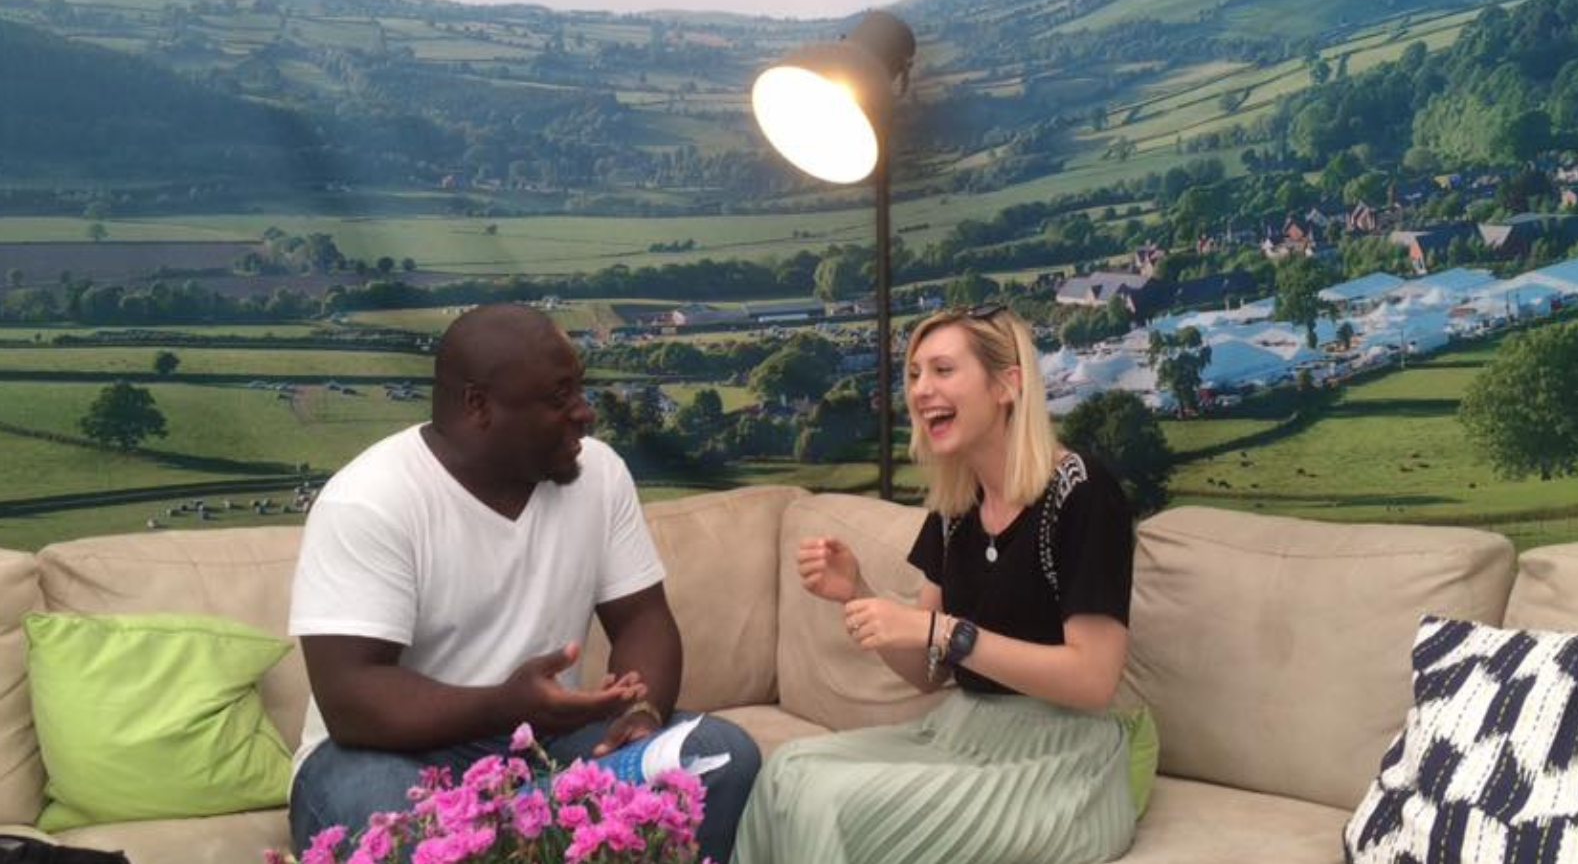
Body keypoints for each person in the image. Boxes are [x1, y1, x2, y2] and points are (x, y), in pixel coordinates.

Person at [287, 303, 759, 864]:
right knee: (402, 827)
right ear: (478, 406)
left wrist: (644, 712)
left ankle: (518, 824)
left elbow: (642, 619)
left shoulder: (599, 473)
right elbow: (351, 699)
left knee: (719, 755)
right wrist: (506, 705)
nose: (584, 414)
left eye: (579, 391)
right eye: (559, 398)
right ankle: (521, 827)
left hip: (545, 744)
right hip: (381, 756)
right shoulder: (370, 500)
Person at [733, 305, 1138, 864]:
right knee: (786, 771)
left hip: (1061, 758)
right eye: (916, 374)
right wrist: (860, 594)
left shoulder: (1082, 493)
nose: (922, 390)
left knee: (831, 802)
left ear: (1006, 385)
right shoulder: (956, 505)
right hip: (963, 730)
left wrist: (947, 630)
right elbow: (929, 675)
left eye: (943, 370)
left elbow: (1095, 680)